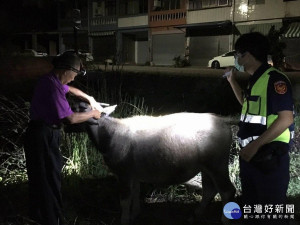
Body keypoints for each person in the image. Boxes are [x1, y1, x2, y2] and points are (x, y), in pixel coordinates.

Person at [23, 52, 102, 225]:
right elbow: (70, 118)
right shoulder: (51, 87)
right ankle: (52, 219)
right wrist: (93, 113)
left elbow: (70, 89)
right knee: (47, 179)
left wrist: (89, 97)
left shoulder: (52, 80)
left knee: (46, 176)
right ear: (66, 70)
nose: (73, 79)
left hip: (44, 133)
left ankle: (41, 215)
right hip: (42, 135)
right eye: (73, 75)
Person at [226, 32, 294, 225]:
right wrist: (232, 81)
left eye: (238, 54)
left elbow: (286, 119)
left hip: (270, 159)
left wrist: (254, 146)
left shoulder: (274, 80)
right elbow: (246, 104)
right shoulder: (255, 80)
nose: (237, 59)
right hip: (252, 158)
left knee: (271, 214)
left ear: (248, 55)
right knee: (254, 210)